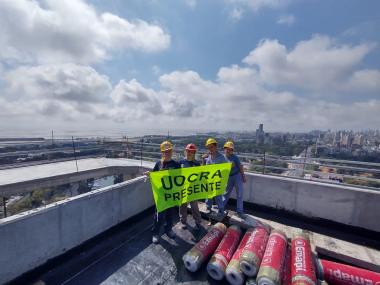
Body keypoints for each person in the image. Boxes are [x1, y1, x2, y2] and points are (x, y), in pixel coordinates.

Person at [146, 140, 180, 244]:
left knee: (170, 214)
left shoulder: (176, 165)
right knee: (159, 216)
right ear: (162, 152)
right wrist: (150, 175)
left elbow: (180, 179)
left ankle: (168, 230)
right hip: (161, 195)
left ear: (172, 151)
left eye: (169, 151)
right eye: (165, 151)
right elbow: (154, 177)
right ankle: (155, 233)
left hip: (170, 195)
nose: (167, 153)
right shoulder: (158, 164)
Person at [178, 143, 202, 230]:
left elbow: (200, 176)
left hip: (193, 189)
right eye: (187, 151)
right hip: (183, 188)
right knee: (182, 206)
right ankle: (183, 221)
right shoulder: (180, 162)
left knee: (194, 206)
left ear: (194, 153)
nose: (189, 153)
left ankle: (198, 221)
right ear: (185, 151)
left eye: (191, 152)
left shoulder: (197, 163)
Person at [222, 141, 247, 218]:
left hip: (237, 176)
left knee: (239, 194)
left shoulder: (235, 157)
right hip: (229, 177)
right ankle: (221, 207)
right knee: (226, 193)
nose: (229, 150)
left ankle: (240, 212)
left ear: (232, 150)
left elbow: (240, 167)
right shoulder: (223, 157)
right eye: (227, 149)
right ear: (224, 149)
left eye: (230, 149)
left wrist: (243, 177)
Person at [204, 138, 227, 217]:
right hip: (210, 180)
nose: (210, 149)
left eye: (212, 147)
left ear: (215, 147)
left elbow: (226, 168)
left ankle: (221, 210)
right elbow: (207, 168)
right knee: (209, 194)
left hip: (218, 180)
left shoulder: (221, 157)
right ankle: (208, 207)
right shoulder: (209, 157)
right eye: (209, 147)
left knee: (218, 196)